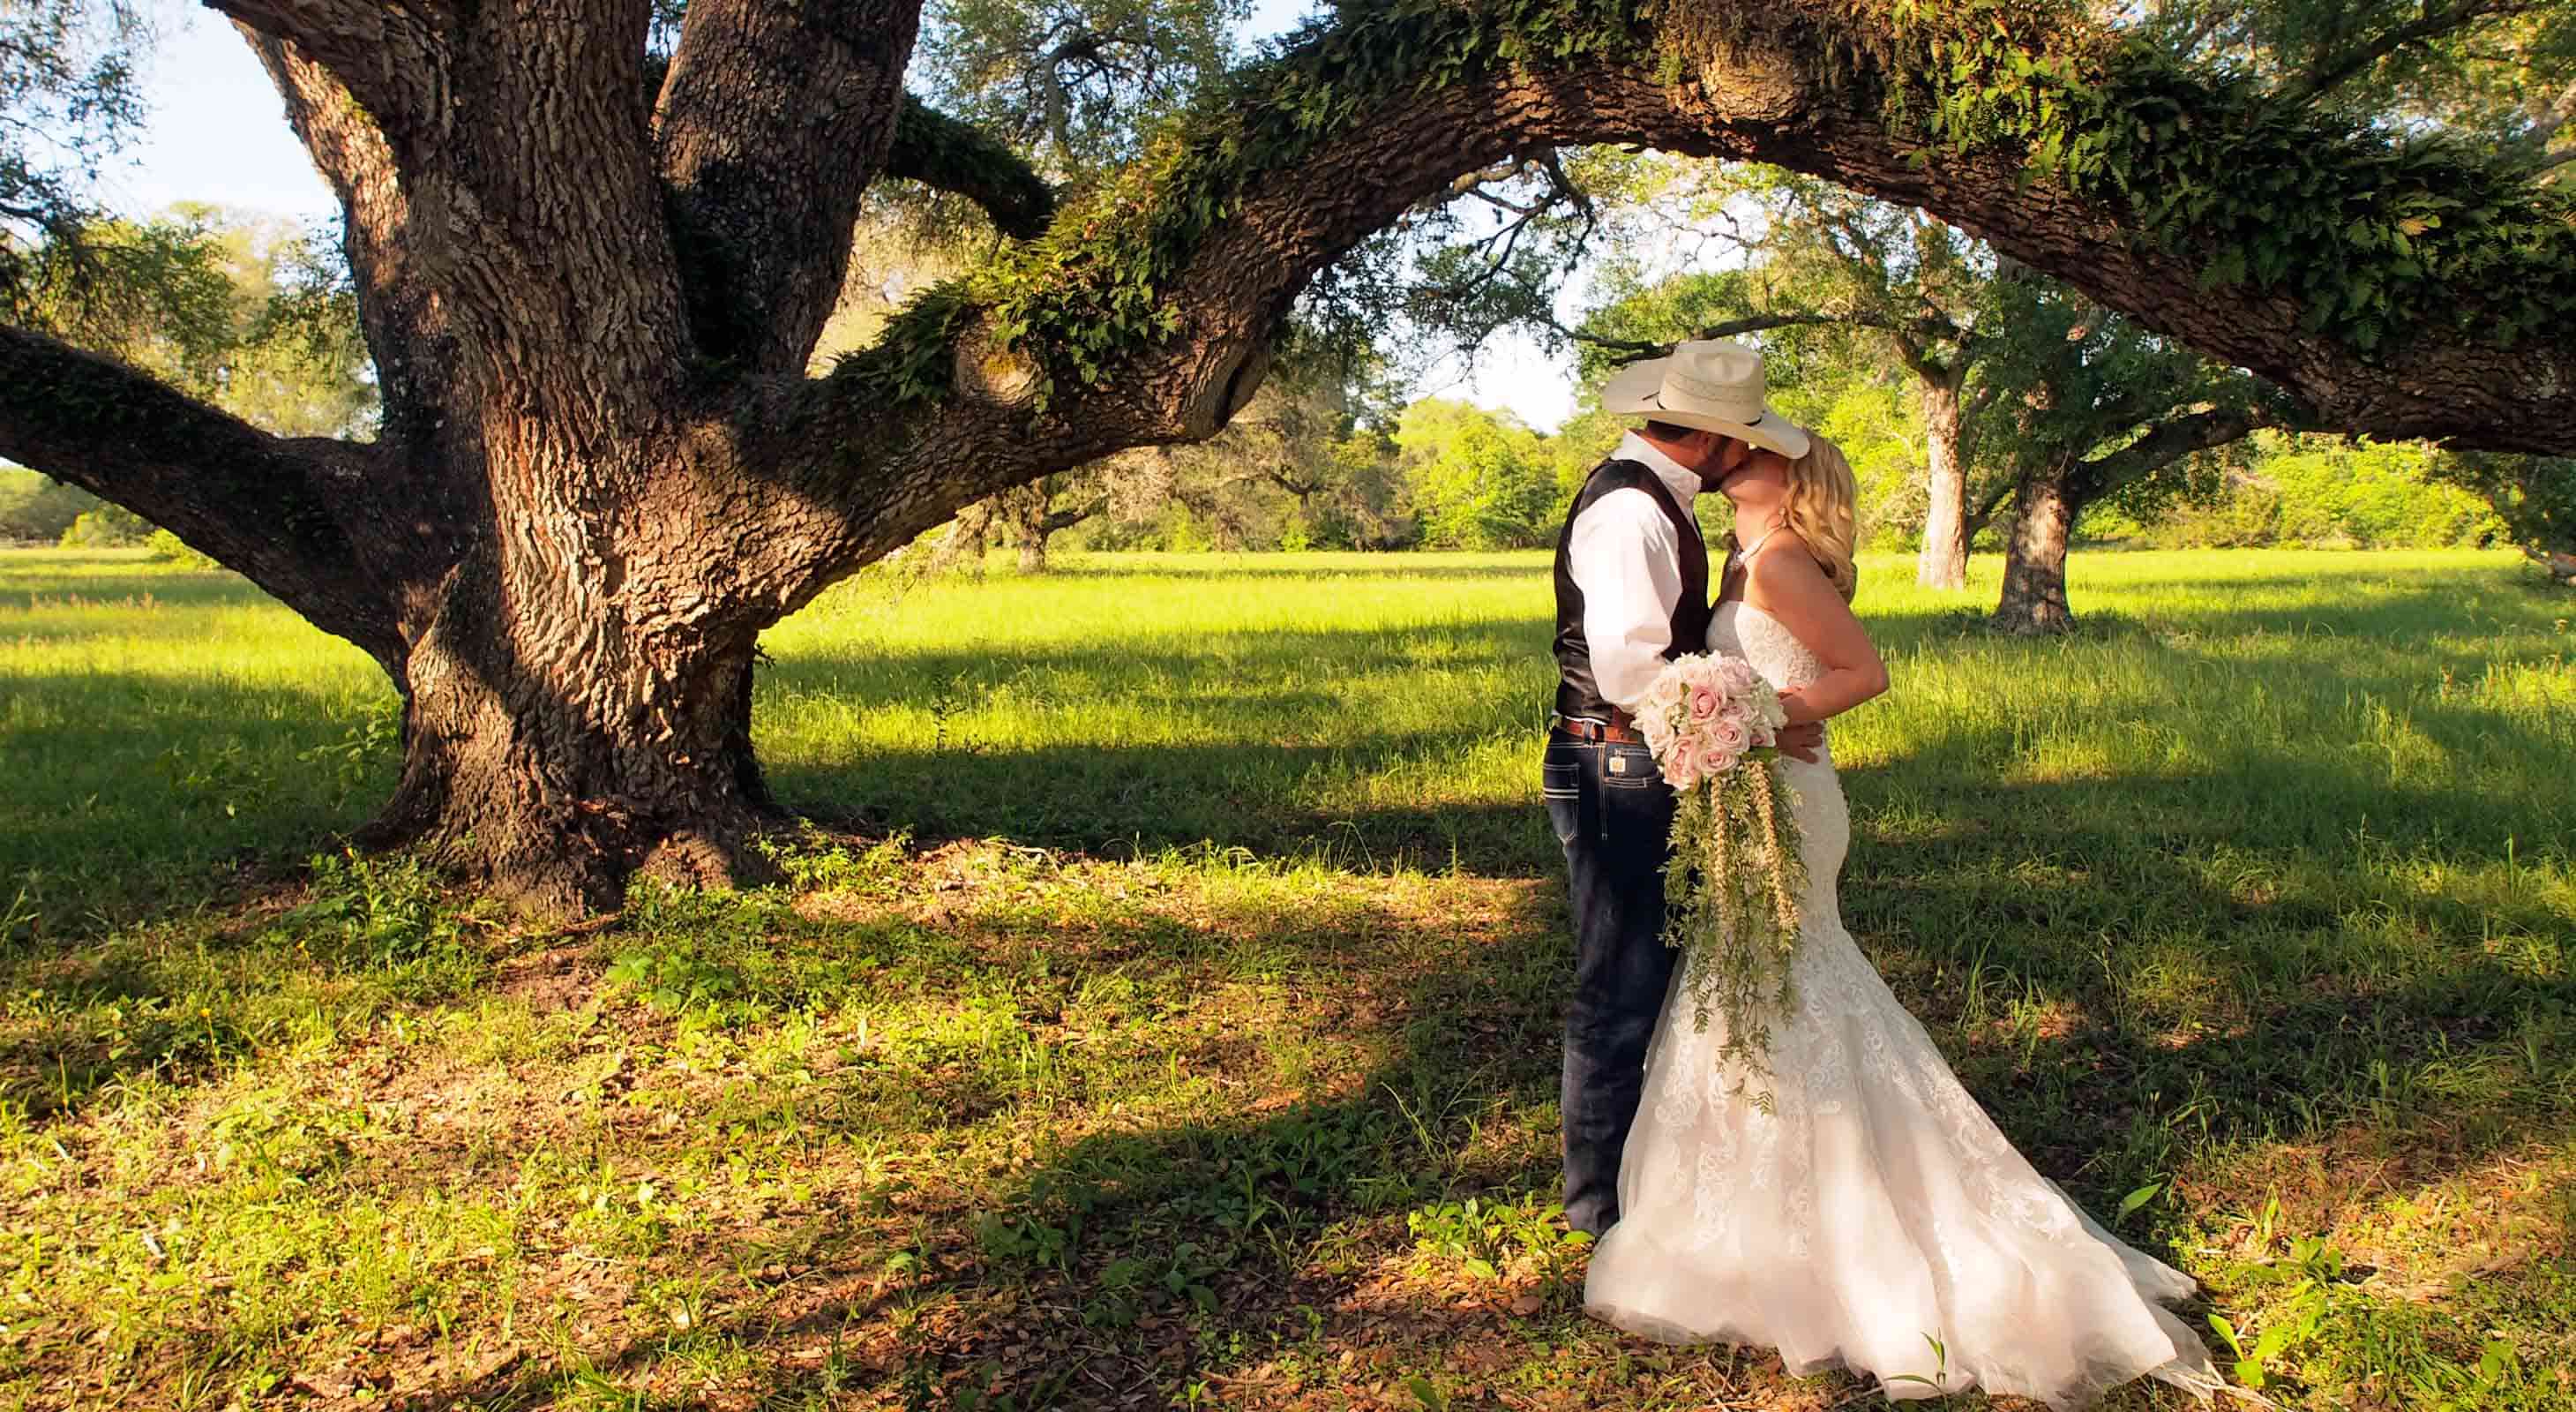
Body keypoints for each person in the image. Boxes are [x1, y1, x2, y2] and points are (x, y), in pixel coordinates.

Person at [1576, 345, 2223, 1408]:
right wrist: (1739, 721)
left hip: (1788, 801)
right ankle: (1751, 1215)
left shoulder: (1778, 563)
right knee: (1749, 983)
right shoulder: (1739, 560)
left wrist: (1757, 717)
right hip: (1753, 796)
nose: (1739, 455)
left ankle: (1830, 1222)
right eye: (1736, 441)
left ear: (1790, 479)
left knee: (1786, 980)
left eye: (1759, 450)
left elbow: (1861, 673)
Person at [1544, 339, 1823, 1240]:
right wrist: (1757, 720)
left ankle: (1643, 1183)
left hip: (1637, 759)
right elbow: (1632, 671)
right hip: (1616, 763)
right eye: (1746, 439)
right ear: (1711, 437)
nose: (1749, 454)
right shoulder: (1633, 512)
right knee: (1620, 988)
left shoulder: (1661, 500)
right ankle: (1600, 1212)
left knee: (1651, 974)